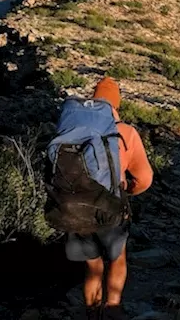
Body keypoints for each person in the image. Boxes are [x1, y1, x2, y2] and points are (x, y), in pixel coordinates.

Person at [65, 77, 153, 319]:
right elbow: (145, 178)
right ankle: (112, 308)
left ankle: (92, 313)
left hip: (74, 206)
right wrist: (128, 192)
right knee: (117, 258)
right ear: (117, 103)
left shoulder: (74, 127)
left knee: (92, 266)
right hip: (110, 206)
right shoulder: (126, 132)